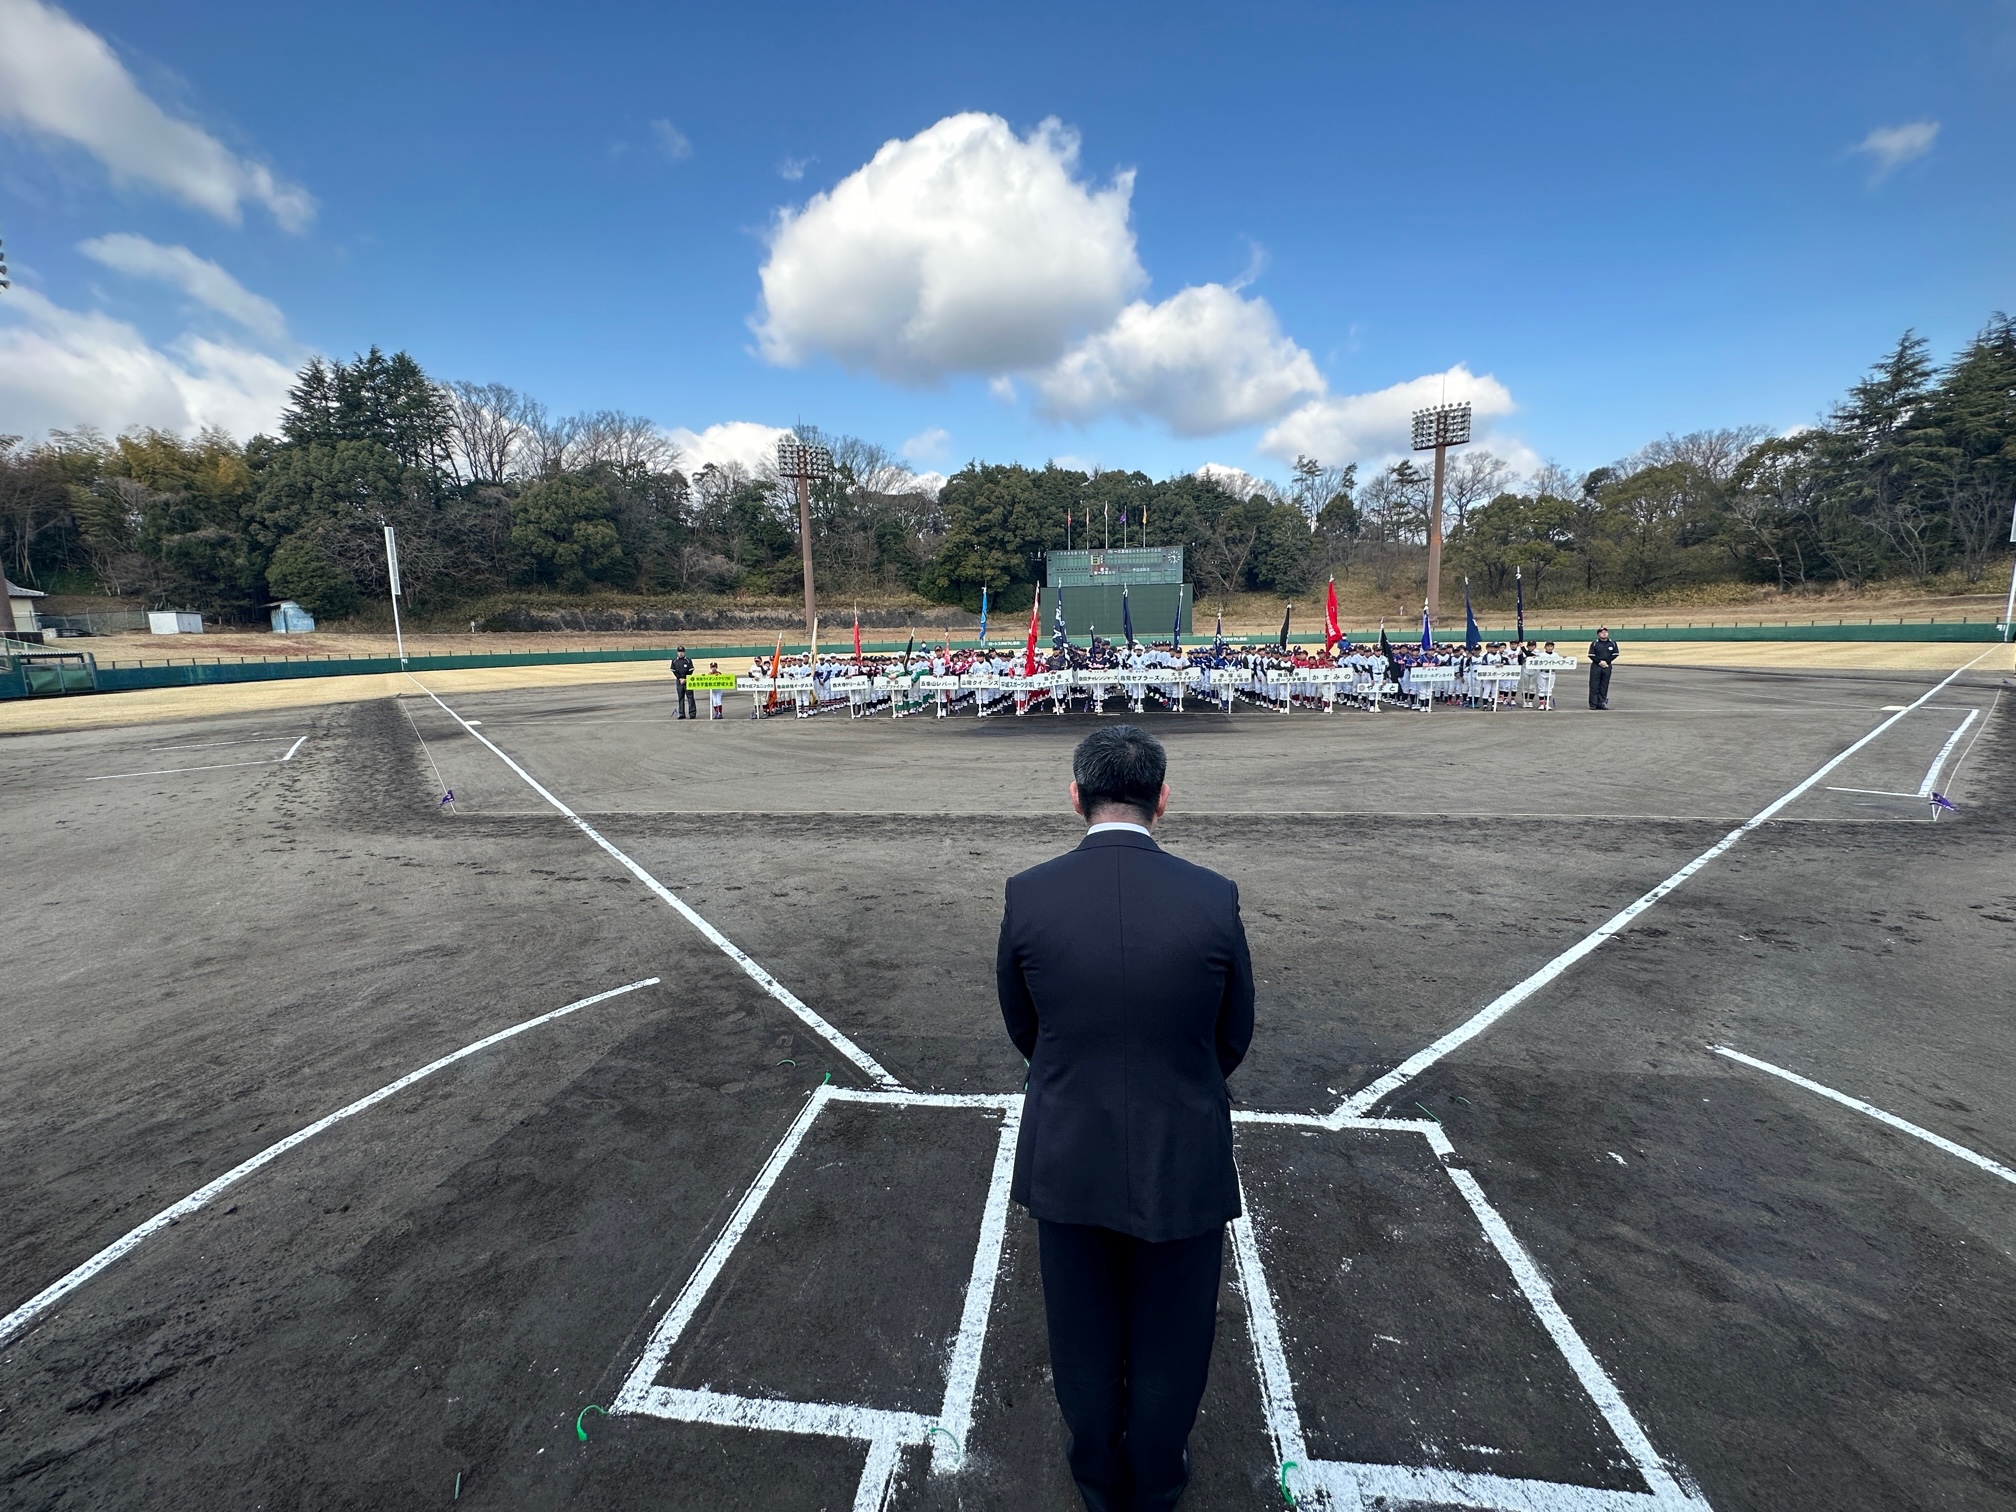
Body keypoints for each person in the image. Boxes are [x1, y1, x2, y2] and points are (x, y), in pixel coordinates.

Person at [996, 725, 1255, 1512]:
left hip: (1071, 1149)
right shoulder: (1213, 895)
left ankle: (1097, 1482)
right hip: (1183, 1152)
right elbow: (1232, 1033)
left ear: (1076, 797)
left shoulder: (1029, 892)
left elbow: (1024, 1026)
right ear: (1162, 799)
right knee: (1173, 1338)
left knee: (1083, 1334)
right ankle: (1158, 1480)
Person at [1587, 627, 1619, 709]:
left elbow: (1615, 654)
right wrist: (1599, 662)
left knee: (1604, 685)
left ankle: (1601, 703)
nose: (1604, 633)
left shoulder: (1612, 643)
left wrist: (1607, 662)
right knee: (1594, 685)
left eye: (1605, 632)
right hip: (1596, 666)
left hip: (1607, 666)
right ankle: (1593, 704)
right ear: (1598, 634)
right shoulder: (1594, 643)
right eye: (1601, 632)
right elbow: (1591, 655)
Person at [670, 645, 697, 720]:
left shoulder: (688, 660)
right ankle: (681, 713)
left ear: (684, 652)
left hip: (688, 681)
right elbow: (674, 671)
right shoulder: (674, 661)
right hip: (679, 681)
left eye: (682, 652)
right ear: (677, 652)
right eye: (679, 652)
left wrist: (685, 678)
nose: (680, 653)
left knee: (690, 697)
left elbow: (691, 670)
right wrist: (680, 678)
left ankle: (692, 713)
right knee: (680, 697)